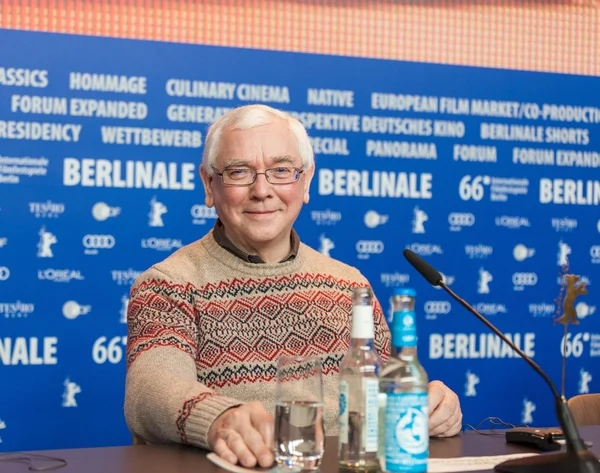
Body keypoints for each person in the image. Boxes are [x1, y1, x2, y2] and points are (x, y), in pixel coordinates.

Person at [124, 104, 462, 467]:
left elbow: (380, 398)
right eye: (239, 172)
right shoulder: (169, 283)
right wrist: (219, 419)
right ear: (209, 185)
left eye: (281, 170)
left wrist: (430, 406)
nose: (262, 190)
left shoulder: (348, 284)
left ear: (306, 182)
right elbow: (149, 391)